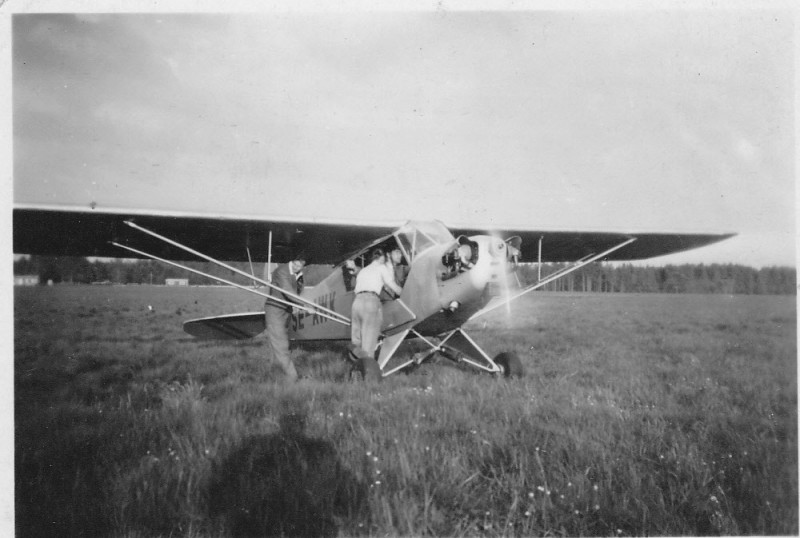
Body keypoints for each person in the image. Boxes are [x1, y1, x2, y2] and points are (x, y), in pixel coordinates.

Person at [351, 248, 402, 359]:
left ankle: (357, 363)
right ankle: (367, 369)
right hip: (371, 300)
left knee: (357, 339)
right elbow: (392, 286)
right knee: (369, 338)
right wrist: (404, 293)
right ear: (381, 257)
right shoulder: (381, 267)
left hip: (357, 302)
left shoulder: (363, 270)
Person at [264, 255, 306, 382]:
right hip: (275, 310)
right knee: (282, 344)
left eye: (301, 265)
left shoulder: (299, 275)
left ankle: (275, 377)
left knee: (276, 345)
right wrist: (305, 305)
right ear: (291, 260)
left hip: (286, 311)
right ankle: (292, 379)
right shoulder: (281, 271)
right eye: (296, 263)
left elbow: (298, 291)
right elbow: (287, 290)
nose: (297, 267)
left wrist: (298, 305)